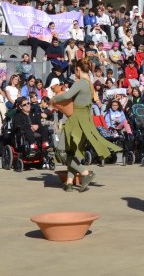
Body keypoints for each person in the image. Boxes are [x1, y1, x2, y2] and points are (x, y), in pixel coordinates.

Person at [50, 59, 122, 192]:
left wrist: (53, 99)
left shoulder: (81, 82)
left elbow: (67, 95)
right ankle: (70, 183)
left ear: (78, 69)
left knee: (61, 152)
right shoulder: (89, 83)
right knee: (71, 152)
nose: (74, 73)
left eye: (74, 71)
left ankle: (85, 173)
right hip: (85, 121)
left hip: (76, 121)